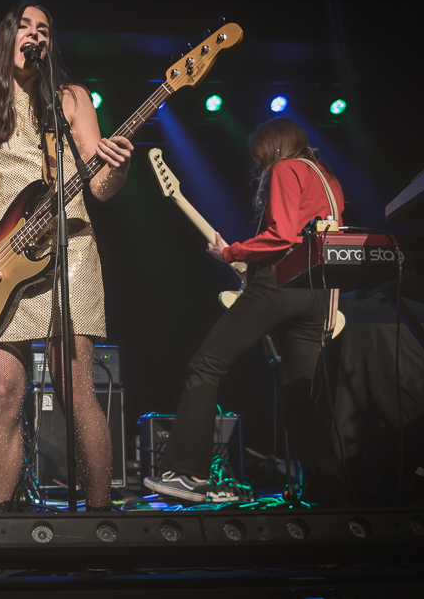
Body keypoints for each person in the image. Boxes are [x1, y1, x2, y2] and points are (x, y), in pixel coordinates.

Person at [0, 4, 133, 512]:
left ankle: (100, 519)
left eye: (44, 30)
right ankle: (2, 523)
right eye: (25, 27)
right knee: (4, 393)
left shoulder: (71, 99)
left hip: (68, 249)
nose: (36, 35)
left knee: (76, 389)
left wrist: (116, 168)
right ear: (7, 40)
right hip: (2, 264)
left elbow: (99, 184)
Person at [144, 116, 352, 506]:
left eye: (258, 154)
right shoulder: (328, 180)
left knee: (206, 366)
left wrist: (233, 252)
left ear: (269, 147)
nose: (257, 163)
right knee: (298, 399)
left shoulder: (286, 168)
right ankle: (336, 494)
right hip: (320, 295)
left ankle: (188, 474)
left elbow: (284, 236)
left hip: (281, 285)